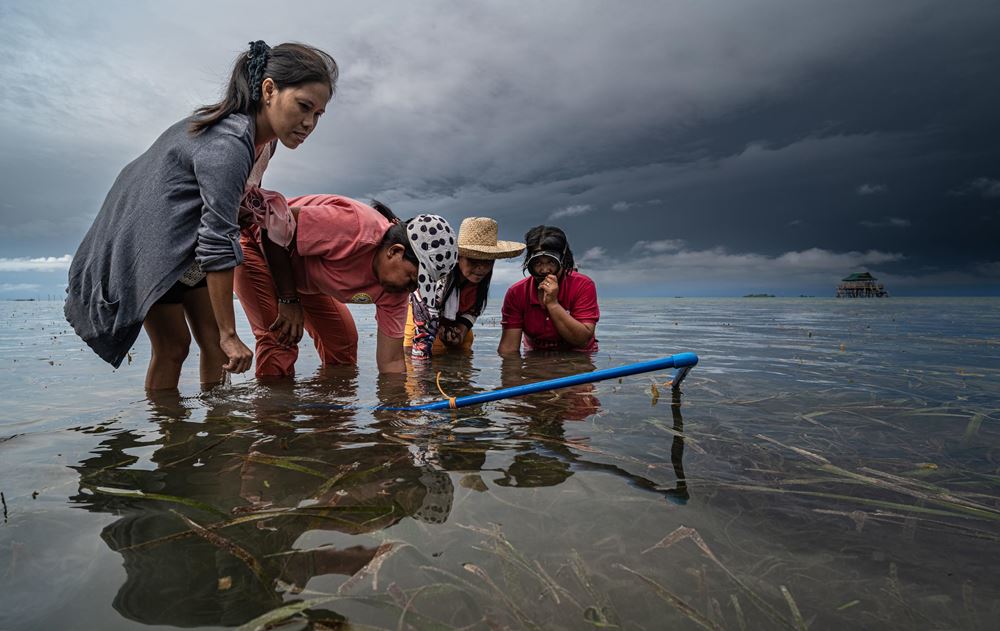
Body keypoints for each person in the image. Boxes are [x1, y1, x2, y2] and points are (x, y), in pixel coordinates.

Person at [64, 41, 338, 390]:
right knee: (174, 347)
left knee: (214, 346)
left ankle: (217, 418)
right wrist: (229, 333)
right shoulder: (228, 142)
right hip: (152, 249)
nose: (309, 123)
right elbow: (218, 237)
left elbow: (225, 214)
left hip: (187, 251)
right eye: (303, 106)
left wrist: (223, 336)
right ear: (269, 90)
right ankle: (168, 424)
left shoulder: (264, 143)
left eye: (318, 114)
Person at [233, 194, 456, 376]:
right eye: (412, 279)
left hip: (305, 275)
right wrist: (288, 299)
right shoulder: (353, 227)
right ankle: (274, 416)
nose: (410, 290)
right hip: (257, 245)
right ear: (395, 251)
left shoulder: (396, 290)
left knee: (343, 343)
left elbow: (392, 362)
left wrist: (397, 410)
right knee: (281, 341)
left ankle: (332, 415)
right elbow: (273, 225)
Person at [404, 216, 524, 356]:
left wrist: (460, 332)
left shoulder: (477, 285)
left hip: (452, 321)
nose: (481, 268)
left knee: (464, 346)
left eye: (488, 262)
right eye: (473, 261)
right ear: (457, 257)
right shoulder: (438, 277)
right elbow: (422, 321)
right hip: (421, 314)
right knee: (420, 350)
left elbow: (472, 312)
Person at [497, 225, 600, 354]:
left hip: (578, 355)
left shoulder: (583, 285)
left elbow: (583, 341)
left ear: (562, 260)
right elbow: (509, 349)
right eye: (538, 263)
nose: (545, 270)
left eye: (551, 262)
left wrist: (553, 304)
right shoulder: (517, 292)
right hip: (536, 356)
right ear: (529, 262)